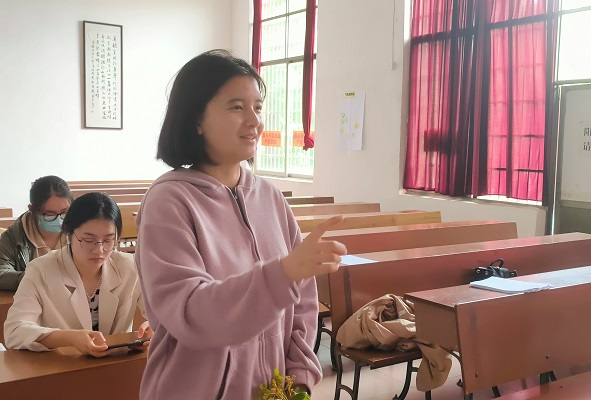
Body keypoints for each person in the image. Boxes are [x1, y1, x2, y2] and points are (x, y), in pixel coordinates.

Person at [135, 49, 347, 399]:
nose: (255, 121)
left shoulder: (270, 197)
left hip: (268, 389)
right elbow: (190, 312)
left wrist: (298, 377)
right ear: (197, 119)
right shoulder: (168, 201)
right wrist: (282, 274)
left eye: (258, 107)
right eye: (236, 107)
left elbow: (303, 303)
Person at [4, 192, 152, 356]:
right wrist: (69, 338)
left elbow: (161, 314)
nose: (99, 250)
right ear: (68, 234)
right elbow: (15, 331)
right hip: (61, 366)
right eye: (88, 241)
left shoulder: (130, 266)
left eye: (108, 240)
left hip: (117, 364)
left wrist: (154, 328)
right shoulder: (40, 270)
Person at [0, 175, 73, 291]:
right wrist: (39, 277)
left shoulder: (80, 232)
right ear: (32, 209)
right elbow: (2, 274)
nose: (59, 220)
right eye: (49, 214)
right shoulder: (13, 238)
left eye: (65, 212)